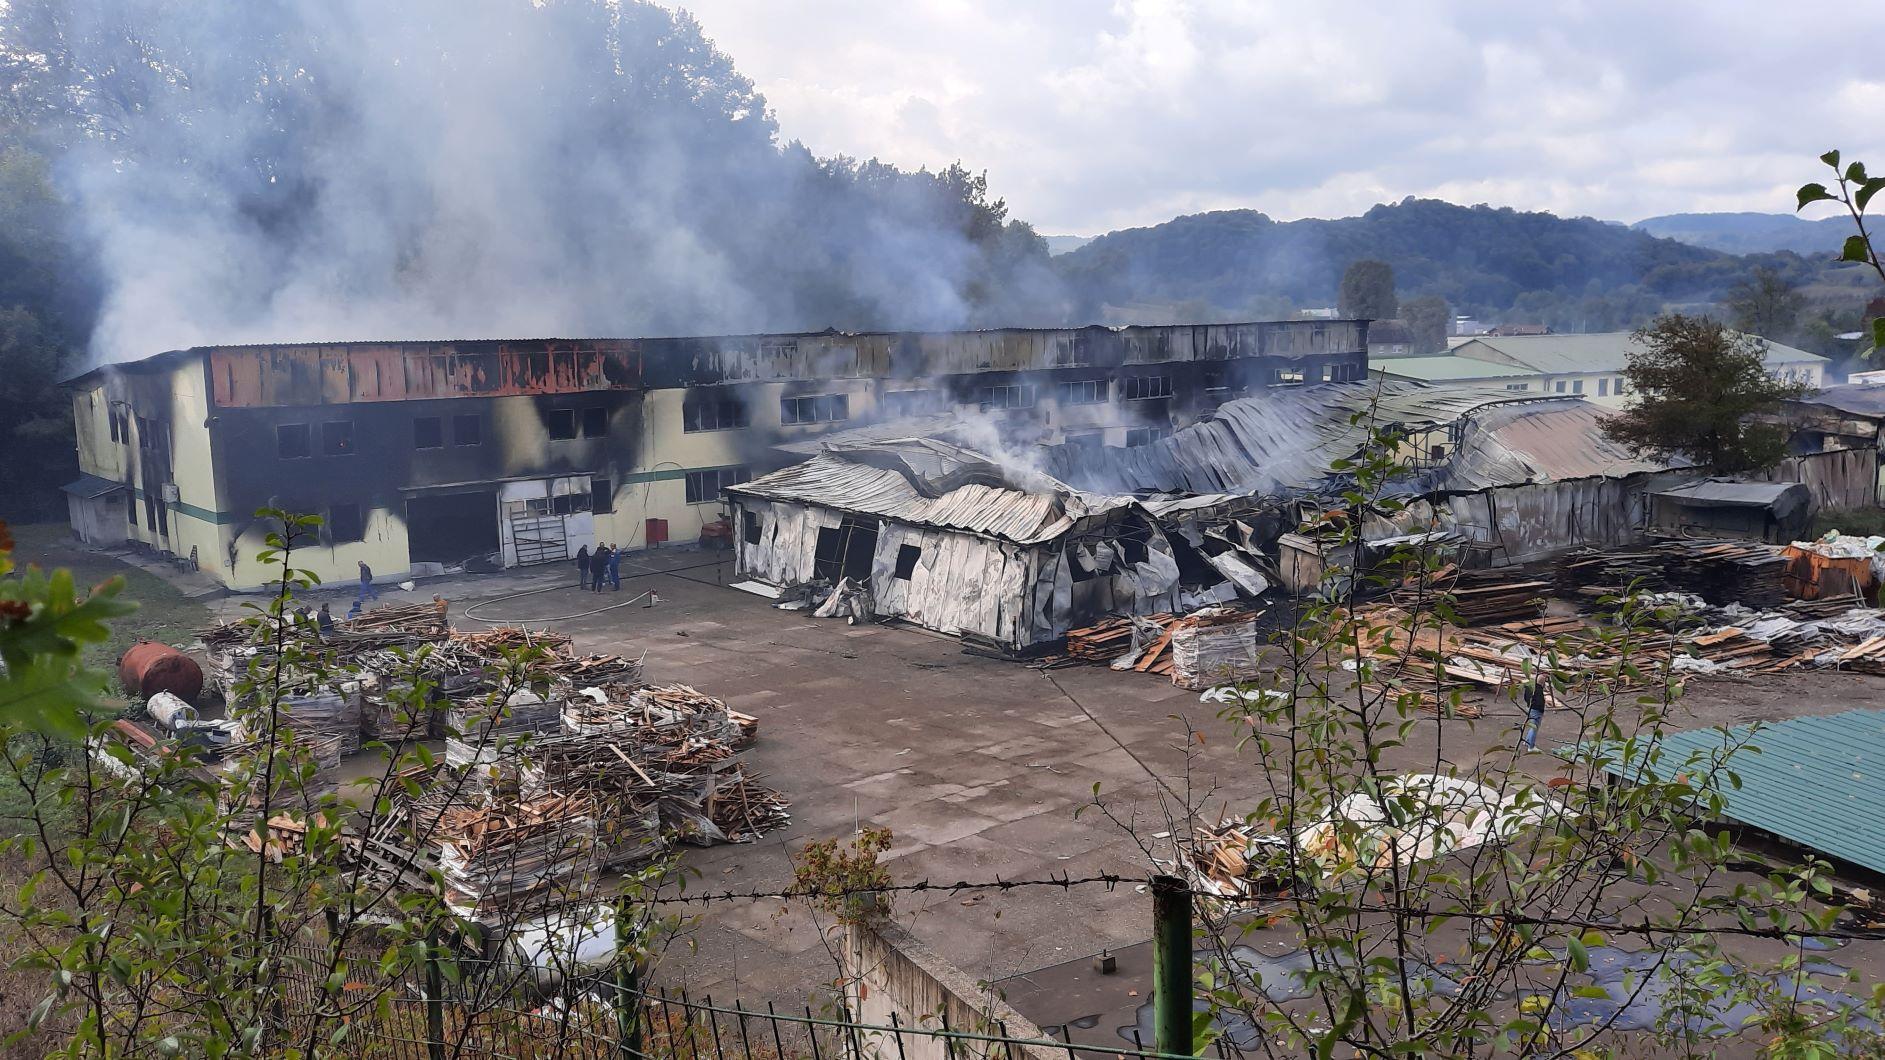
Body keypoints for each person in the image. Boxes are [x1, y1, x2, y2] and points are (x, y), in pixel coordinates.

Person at [1522, 679, 1548, 749]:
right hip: (1536, 710)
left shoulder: (1530, 686)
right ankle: (1531, 747)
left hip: (1529, 708)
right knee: (1534, 728)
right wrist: (1541, 710)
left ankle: (1527, 741)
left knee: (1532, 727)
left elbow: (1525, 697)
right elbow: (1539, 702)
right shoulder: (1539, 690)